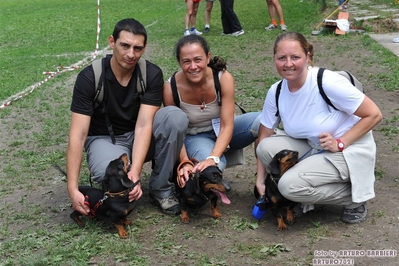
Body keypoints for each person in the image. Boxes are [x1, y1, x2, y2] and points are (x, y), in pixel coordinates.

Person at [255, 32, 382, 224]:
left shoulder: (327, 82)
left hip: (349, 149)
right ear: (274, 59)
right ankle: (309, 193)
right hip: (315, 146)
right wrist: (260, 179)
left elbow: (374, 114)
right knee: (264, 148)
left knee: (288, 186)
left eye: (295, 57)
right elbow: (264, 135)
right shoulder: (277, 90)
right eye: (282, 58)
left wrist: (341, 143)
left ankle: (355, 197)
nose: (288, 64)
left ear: (308, 56)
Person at [67, 18, 188, 217]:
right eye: (125, 46)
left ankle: (160, 189)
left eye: (137, 48)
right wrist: (72, 188)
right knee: (105, 172)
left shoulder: (151, 74)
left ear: (145, 47)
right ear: (111, 42)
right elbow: (78, 135)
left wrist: (136, 172)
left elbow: (143, 125)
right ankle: (122, 183)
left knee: (175, 117)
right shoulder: (89, 78)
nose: (131, 54)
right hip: (105, 139)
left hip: (140, 136)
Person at [163, 35, 260, 185]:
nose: (193, 66)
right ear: (179, 62)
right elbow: (175, 132)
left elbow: (227, 125)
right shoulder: (171, 88)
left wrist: (213, 157)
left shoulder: (223, 78)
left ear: (208, 57)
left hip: (223, 129)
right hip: (194, 136)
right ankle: (198, 169)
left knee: (262, 122)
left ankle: (264, 180)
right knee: (214, 168)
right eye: (186, 61)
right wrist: (185, 161)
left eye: (198, 59)